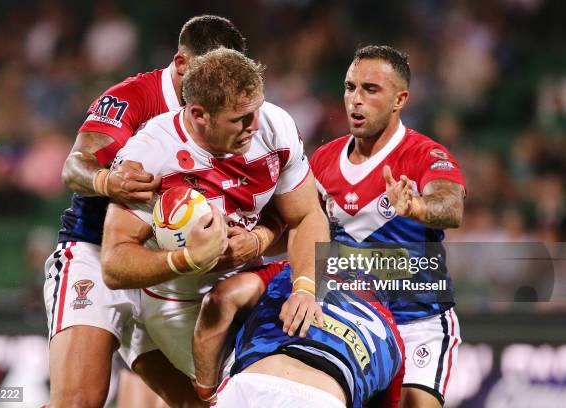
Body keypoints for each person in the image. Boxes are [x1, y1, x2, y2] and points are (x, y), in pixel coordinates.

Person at [43, 15, 281, 408]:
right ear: (183, 65)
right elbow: (74, 165)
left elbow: (288, 209)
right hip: (97, 252)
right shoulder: (134, 98)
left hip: (177, 277)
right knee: (78, 401)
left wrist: (258, 238)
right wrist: (107, 181)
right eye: (213, 74)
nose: (224, 85)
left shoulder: (240, 119)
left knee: (203, 403)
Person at [100, 47, 329, 390]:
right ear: (199, 114)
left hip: (251, 280)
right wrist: (188, 259)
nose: (254, 126)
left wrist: (302, 286)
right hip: (179, 302)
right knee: (244, 392)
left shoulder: (275, 126)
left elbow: (307, 214)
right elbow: (113, 264)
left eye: (257, 110)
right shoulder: (150, 154)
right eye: (239, 119)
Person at [310, 45, 466, 407]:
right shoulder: (323, 160)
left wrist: (416, 206)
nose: (355, 100)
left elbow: (451, 205)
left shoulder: (424, 154)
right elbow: (301, 228)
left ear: (400, 99)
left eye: (370, 89)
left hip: (417, 322)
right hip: (352, 320)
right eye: (350, 87)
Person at [202, 262, 405, 408]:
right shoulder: (394, 338)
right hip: (325, 400)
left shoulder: (293, 270)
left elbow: (222, 297)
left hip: (254, 382)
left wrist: (205, 388)